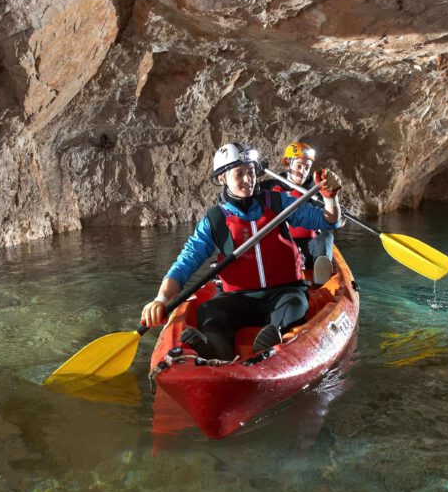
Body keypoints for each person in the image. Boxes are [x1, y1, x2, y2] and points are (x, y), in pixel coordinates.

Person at [140, 142, 343, 360]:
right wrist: (161, 298)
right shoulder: (215, 220)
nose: (248, 179)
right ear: (222, 178)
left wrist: (331, 198)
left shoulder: (277, 202)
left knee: (295, 306)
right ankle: (218, 351)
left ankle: (273, 340)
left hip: (284, 291)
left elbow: (328, 221)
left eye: (251, 172)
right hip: (238, 297)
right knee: (209, 313)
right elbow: (186, 262)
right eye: (239, 174)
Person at [259, 141, 335, 285]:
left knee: (327, 235)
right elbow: (246, 195)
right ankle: (295, 263)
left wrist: (333, 205)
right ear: (287, 165)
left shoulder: (315, 189)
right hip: (281, 243)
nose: (303, 171)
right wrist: (255, 172)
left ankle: (320, 273)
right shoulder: (270, 187)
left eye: (306, 167)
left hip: (308, 244)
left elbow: (329, 215)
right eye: (299, 166)